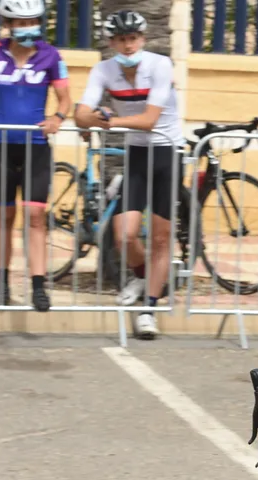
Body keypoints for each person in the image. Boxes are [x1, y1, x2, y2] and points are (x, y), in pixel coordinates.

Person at [76, 10, 186, 340]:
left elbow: (150, 119)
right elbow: (81, 114)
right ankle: (142, 274)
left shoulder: (160, 65)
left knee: (161, 237)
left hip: (168, 151)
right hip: (138, 154)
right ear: (111, 42)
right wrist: (93, 116)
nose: (127, 45)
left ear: (143, 39)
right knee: (124, 235)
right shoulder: (104, 70)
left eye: (133, 38)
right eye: (121, 39)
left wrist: (104, 121)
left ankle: (149, 308)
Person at [0, 0, 71, 312]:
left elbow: (65, 97)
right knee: (5, 216)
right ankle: (3, 283)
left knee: (36, 216)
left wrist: (58, 118)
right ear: (8, 24)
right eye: (20, 23)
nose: (27, 28)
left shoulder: (52, 55)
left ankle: (38, 286)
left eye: (32, 22)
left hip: (36, 148)